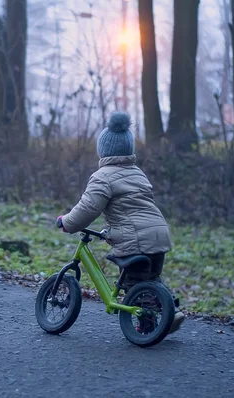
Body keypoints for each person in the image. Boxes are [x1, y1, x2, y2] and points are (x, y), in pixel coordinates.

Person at [56, 111, 184, 334]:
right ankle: (169, 310)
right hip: (158, 234)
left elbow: (87, 209)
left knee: (134, 284)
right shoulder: (137, 173)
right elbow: (132, 211)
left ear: (103, 150)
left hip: (136, 239)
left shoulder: (103, 176)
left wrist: (67, 222)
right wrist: (109, 230)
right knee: (151, 278)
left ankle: (149, 328)